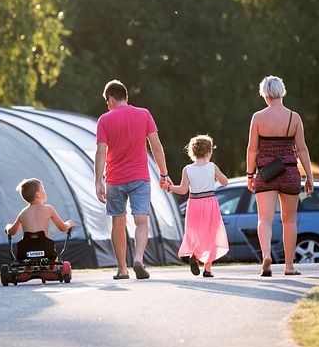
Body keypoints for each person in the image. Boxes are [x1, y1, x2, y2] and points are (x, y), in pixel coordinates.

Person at [94, 79, 169, 280]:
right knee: (141, 220)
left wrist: (97, 182)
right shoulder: (144, 114)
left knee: (118, 223)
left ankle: (122, 269)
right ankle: (139, 259)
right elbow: (156, 146)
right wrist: (163, 173)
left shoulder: (104, 120)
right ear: (126, 97)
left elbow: (100, 153)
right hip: (140, 178)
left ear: (110, 99)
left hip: (114, 179)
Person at [246, 75, 314, 277]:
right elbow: (302, 149)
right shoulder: (294, 117)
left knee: (264, 219)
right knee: (289, 221)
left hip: (266, 173)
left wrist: (250, 174)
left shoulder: (258, 117)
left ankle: (266, 256)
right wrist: (309, 176)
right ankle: (289, 266)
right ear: (282, 92)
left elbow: (252, 150)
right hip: (290, 172)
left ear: (265, 95)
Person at [167, 135, 229, 277]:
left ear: (192, 152)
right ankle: (207, 269)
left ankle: (194, 254)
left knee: (195, 233)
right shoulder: (212, 167)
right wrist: (215, 177)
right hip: (210, 202)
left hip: (194, 203)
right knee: (211, 235)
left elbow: (183, 190)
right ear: (209, 152)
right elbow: (225, 182)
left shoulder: (187, 169)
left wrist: (170, 188)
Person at [4, 178, 75, 240]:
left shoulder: (23, 213)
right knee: (53, 254)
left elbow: (12, 232)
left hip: (26, 249)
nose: (45, 191)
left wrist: (8, 227)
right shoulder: (49, 209)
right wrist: (69, 224)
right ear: (37, 194)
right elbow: (62, 228)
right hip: (46, 249)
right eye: (43, 189)